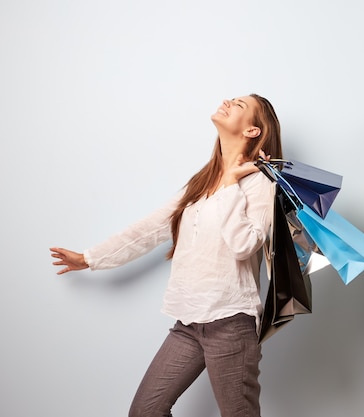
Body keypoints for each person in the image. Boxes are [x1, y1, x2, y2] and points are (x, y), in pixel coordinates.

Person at [50, 94, 282, 417]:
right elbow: (151, 228)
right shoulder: (202, 182)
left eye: (240, 105)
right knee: (145, 412)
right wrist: (90, 258)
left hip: (231, 323)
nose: (229, 101)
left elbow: (244, 244)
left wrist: (231, 182)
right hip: (188, 322)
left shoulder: (260, 183)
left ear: (252, 131)